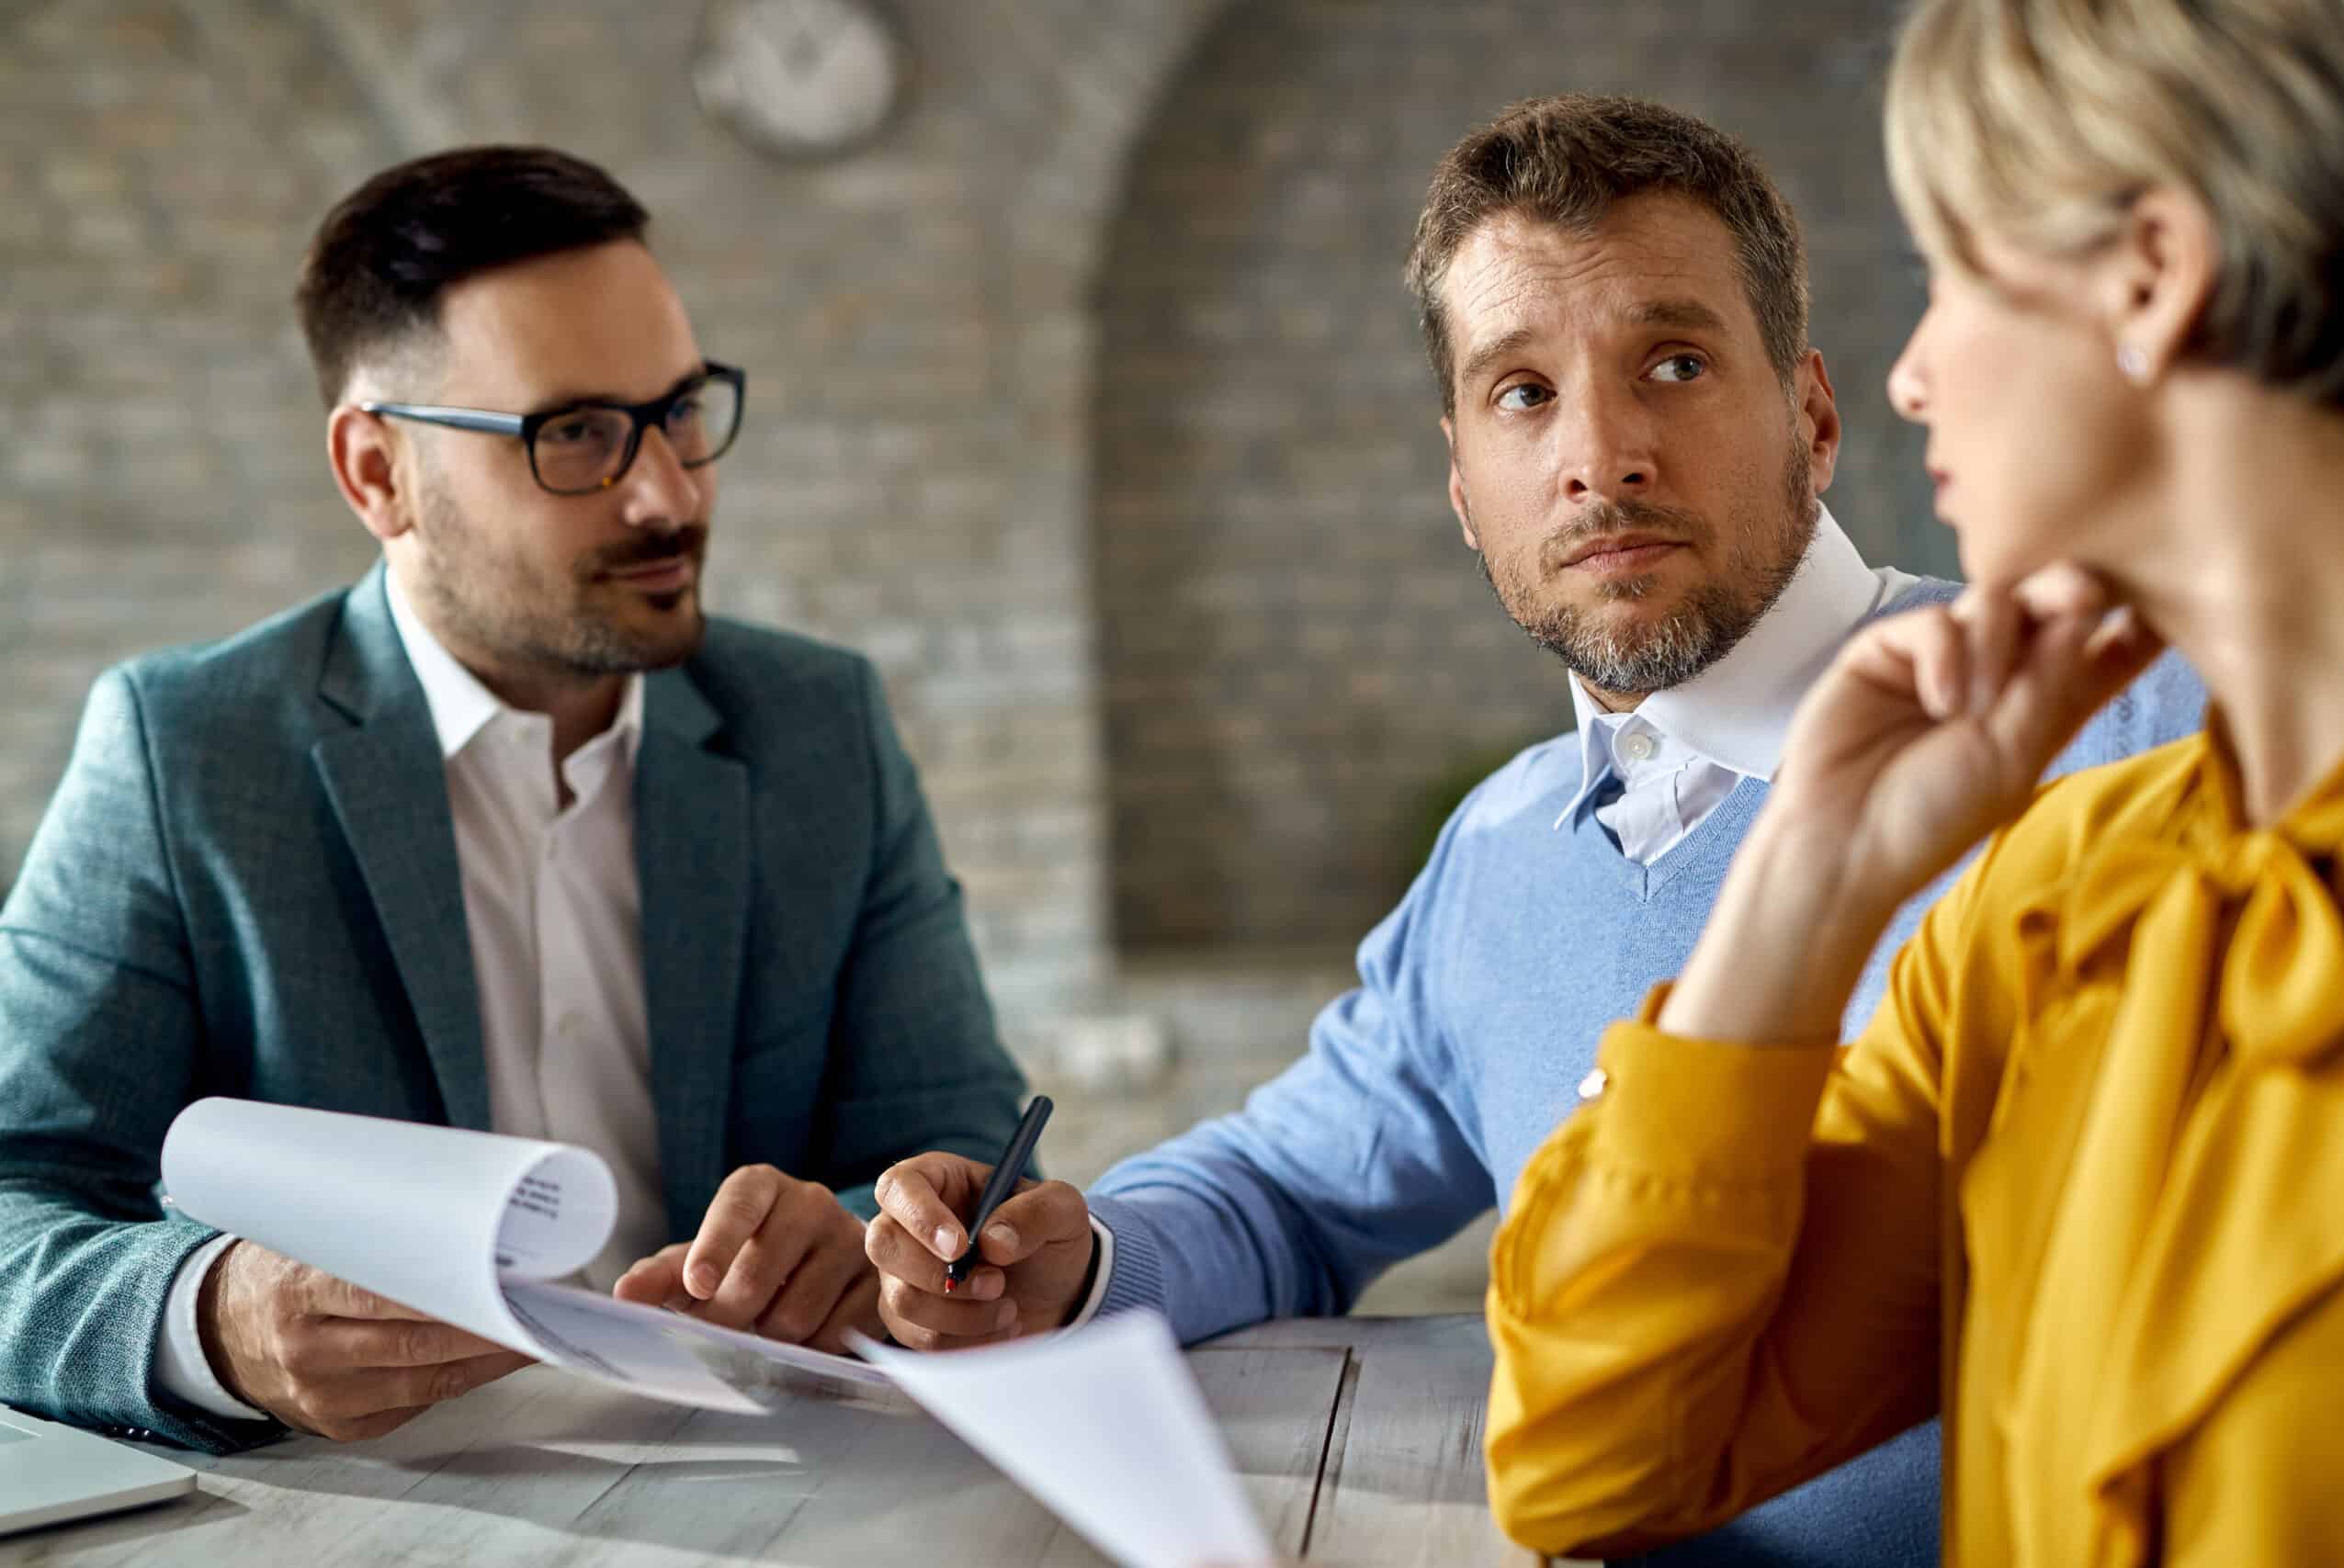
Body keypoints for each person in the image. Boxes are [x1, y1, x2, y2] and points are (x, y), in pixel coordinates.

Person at [861, 96, 2207, 1564]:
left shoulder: (2129, 729)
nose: (1602, 455)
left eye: (1674, 364)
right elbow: (1287, 1187)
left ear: (1813, 417)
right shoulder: (1500, 851)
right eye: (1522, 394)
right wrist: (1080, 1260)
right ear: (1461, 488)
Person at [1480, 1, 2344, 1562]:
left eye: (1953, 274)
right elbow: (1591, 1468)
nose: (1908, 379)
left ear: (2152, 277)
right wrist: (1807, 883)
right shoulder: (2054, 899)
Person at [0, 146, 1028, 1454]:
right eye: (577, 435)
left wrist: (876, 1244)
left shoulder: (819, 729)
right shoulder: (186, 751)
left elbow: (970, 1165)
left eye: (679, 409)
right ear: (378, 476)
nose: (670, 492)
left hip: (786, 1486)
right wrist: (212, 1323)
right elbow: (13, 1195)